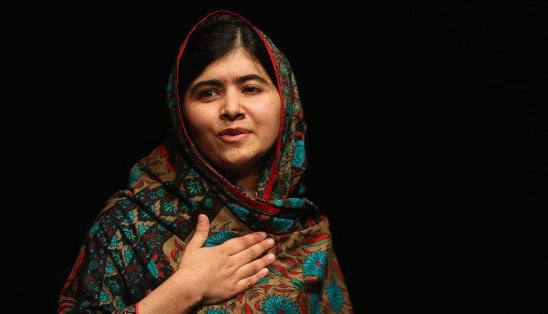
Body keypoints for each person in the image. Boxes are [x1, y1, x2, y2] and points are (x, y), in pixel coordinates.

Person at [57, 9, 353, 313]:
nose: (232, 108)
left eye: (251, 88)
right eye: (208, 93)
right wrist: (184, 290)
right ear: (181, 114)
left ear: (286, 102)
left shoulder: (305, 232)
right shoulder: (126, 224)